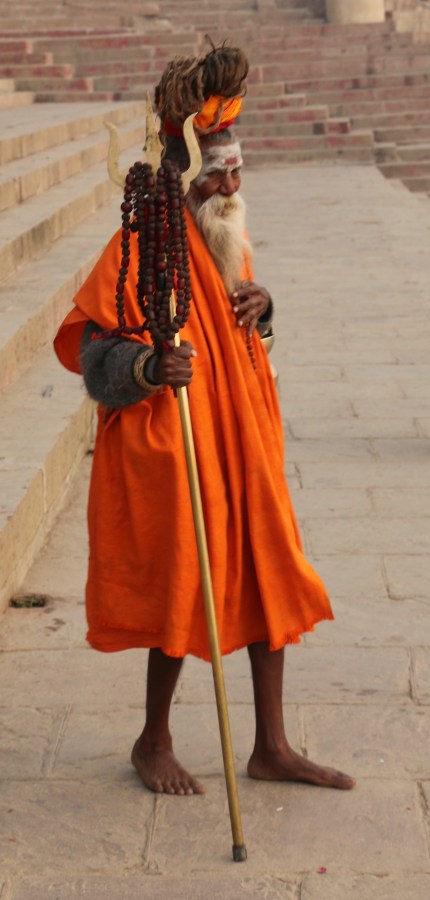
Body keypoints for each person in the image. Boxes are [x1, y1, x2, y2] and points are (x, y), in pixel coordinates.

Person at [54, 44, 355, 796]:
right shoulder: (138, 248)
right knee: (182, 583)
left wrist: (264, 308)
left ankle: (272, 745)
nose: (232, 183)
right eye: (217, 171)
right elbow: (95, 360)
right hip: (177, 446)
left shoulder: (229, 244)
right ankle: (152, 740)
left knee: (269, 572)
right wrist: (151, 368)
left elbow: (258, 351)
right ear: (184, 178)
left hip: (246, 443)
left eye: (237, 167)